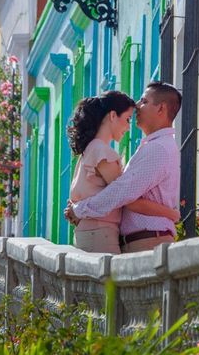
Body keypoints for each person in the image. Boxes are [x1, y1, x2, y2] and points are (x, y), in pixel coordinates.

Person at [65, 82, 182, 253]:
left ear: (161, 109)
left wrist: (80, 210)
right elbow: (125, 194)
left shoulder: (158, 149)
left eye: (144, 101)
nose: (137, 106)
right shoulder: (152, 146)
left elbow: (123, 192)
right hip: (141, 240)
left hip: (147, 241)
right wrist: (171, 213)